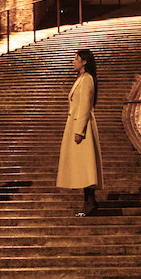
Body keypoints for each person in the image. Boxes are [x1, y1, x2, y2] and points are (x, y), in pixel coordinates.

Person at [56, 49, 103, 216]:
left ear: (84, 62)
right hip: (78, 126)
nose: (73, 62)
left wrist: (79, 131)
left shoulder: (87, 79)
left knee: (86, 165)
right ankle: (88, 201)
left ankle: (90, 202)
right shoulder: (82, 78)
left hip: (83, 128)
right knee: (83, 165)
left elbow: (84, 107)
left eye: (76, 59)